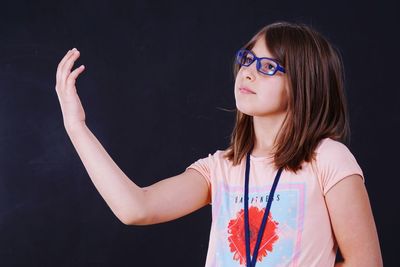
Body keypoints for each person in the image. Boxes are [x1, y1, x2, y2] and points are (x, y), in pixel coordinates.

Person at [55, 21, 383, 267]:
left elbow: (366, 263)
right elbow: (135, 208)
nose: (249, 72)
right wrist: (76, 127)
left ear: (305, 84)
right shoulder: (220, 168)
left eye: (268, 67)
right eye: (248, 59)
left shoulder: (329, 159)